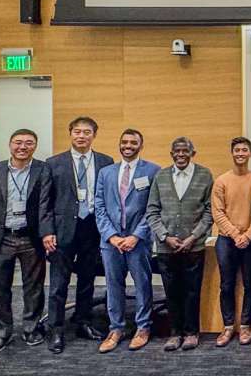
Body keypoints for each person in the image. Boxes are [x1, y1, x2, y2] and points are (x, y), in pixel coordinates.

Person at [43, 116, 114, 353]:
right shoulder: (53, 163)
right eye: (77, 132)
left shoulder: (106, 161)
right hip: (62, 231)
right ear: (70, 133)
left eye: (86, 132)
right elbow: (45, 202)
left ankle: (83, 321)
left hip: (92, 228)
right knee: (58, 283)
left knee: (87, 280)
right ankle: (55, 328)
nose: (81, 136)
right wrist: (47, 231)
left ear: (94, 134)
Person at [0, 129, 52, 354]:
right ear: (10, 144)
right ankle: (3, 333)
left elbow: (46, 206)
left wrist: (46, 234)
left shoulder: (44, 169)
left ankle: (31, 329)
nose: (23, 147)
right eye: (18, 142)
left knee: (33, 289)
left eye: (29, 143)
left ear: (35, 145)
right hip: (1, 237)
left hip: (31, 238)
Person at [95, 128, 160, 353]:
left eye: (133, 142)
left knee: (142, 284)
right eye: (124, 142)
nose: (128, 146)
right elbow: (99, 207)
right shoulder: (106, 172)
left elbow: (153, 208)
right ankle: (116, 328)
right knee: (113, 285)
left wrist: (135, 236)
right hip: (110, 242)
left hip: (138, 241)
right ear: (119, 144)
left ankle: (143, 327)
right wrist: (111, 236)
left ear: (141, 146)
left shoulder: (152, 170)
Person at [145, 137, 214, 351]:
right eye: (177, 151)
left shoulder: (205, 175)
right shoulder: (161, 176)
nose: (181, 154)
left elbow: (209, 211)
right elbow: (152, 211)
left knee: (192, 291)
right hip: (167, 247)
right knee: (171, 291)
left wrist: (194, 236)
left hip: (194, 246)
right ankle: (175, 333)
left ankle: (192, 332)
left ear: (193, 153)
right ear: (171, 154)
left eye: (185, 151)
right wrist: (165, 236)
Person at [211, 136, 251, 347]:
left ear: (250, 153)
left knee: (250, 284)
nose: (240, 153)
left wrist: (247, 235)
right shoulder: (221, 181)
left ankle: (246, 326)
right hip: (226, 240)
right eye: (237, 150)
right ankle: (228, 326)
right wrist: (235, 234)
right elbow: (217, 212)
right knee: (227, 284)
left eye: (244, 150)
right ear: (232, 153)